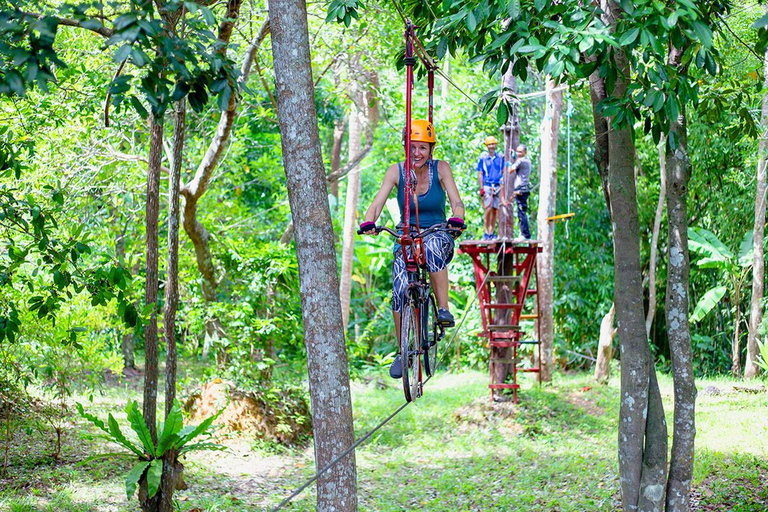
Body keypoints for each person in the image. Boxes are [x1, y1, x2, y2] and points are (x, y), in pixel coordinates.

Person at [359, 119, 466, 378]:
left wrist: (457, 219)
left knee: (431, 248)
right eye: (413, 147)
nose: (417, 153)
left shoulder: (441, 169)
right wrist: (369, 221)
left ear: (431, 149)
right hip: (407, 237)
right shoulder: (396, 171)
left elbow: (457, 202)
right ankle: (402, 350)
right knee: (398, 287)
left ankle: (442, 309)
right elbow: (376, 203)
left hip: (437, 233)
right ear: (406, 147)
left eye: (423, 148)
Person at [476, 136, 506, 240]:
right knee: (488, 209)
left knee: (495, 210)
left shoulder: (500, 157)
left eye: (493, 144)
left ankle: (492, 233)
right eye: (489, 144)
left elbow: (503, 171)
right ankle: (486, 232)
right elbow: (480, 173)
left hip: (497, 185)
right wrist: (481, 188)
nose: (491, 146)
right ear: (487, 146)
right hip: (487, 185)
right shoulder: (483, 158)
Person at [505, 144, 532, 240]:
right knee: (522, 212)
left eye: (520, 152)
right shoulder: (527, 160)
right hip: (524, 189)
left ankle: (525, 234)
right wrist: (514, 155)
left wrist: (508, 164)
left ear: (525, 152)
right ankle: (525, 234)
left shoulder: (520, 161)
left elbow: (510, 170)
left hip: (521, 189)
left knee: (521, 213)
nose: (518, 154)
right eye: (517, 151)